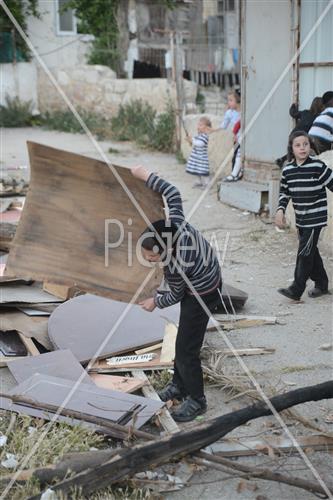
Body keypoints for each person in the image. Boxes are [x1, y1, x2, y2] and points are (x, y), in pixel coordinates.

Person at [131, 165, 222, 422]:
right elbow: (172, 193)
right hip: (201, 280)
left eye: (152, 256)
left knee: (185, 349)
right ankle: (178, 387)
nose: (148, 259)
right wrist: (146, 175)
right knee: (184, 340)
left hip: (202, 293)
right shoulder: (175, 225)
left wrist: (154, 302)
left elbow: (177, 295)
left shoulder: (179, 261)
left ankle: (197, 400)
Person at [275, 130, 333, 300]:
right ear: (291, 148)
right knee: (311, 251)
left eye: (305, 144)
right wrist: (280, 210)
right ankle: (322, 284)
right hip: (301, 219)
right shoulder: (288, 170)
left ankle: (296, 288)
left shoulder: (317, 166)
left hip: (315, 218)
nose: (302, 148)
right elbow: (284, 193)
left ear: (310, 146)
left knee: (305, 253)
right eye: (298, 145)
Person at [276, 96, 323, 169]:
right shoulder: (318, 117)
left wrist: (293, 105)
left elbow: (293, 113)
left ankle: (282, 160)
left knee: (294, 150)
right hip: (302, 136)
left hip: (294, 133)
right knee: (301, 150)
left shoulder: (305, 112)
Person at [185, 116, 211, 189]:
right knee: (196, 170)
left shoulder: (205, 136)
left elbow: (200, 143)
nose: (198, 126)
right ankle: (199, 181)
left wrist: (192, 141)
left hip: (202, 158)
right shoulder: (199, 135)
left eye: (201, 125)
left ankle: (207, 183)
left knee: (203, 171)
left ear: (207, 128)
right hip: (196, 158)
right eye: (198, 125)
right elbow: (194, 141)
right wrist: (190, 139)